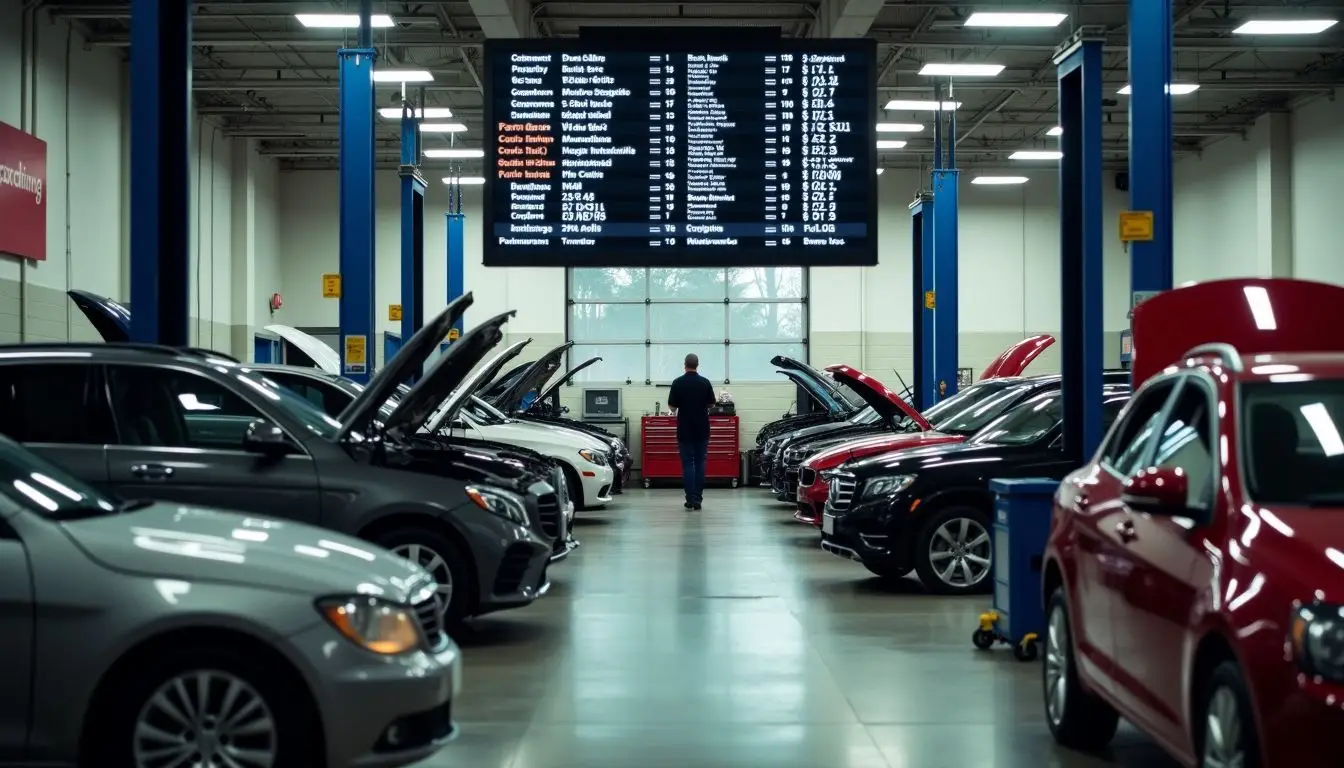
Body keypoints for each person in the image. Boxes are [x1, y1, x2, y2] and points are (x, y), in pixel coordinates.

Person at [668, 353, 717, 510]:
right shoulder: (705, 382)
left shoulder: (677, 383)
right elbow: (711, 404)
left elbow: (672, 407)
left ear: (685, 364)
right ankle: (698, 498)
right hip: (702, 428)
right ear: (697, 365)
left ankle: (690, 499)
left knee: (688, 464)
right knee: (701, 461)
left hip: (685, 429)